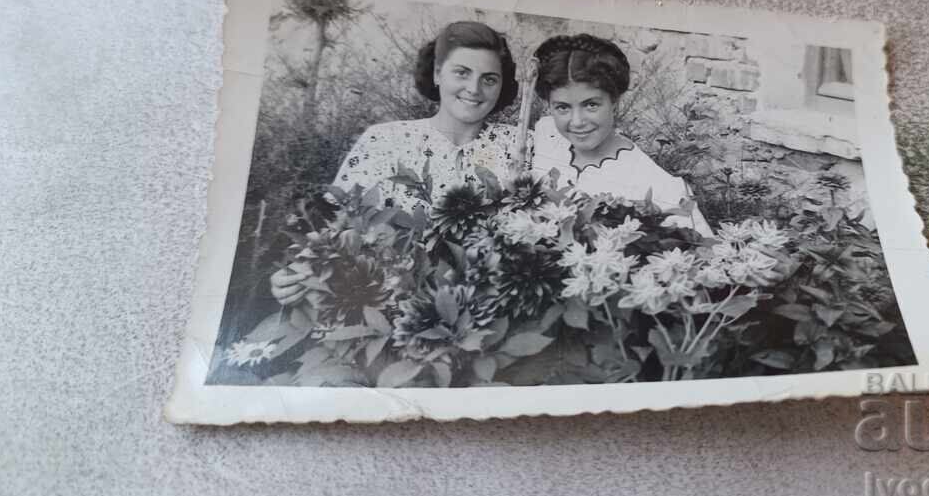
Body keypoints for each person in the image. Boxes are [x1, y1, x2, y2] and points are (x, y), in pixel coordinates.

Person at [271, 21, 523, 304]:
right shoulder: (386, 140)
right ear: (438, 73)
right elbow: (336, 218)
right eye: (462, 73)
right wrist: (297, 269)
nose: (474, 88)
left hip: (494, 307)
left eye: (489, 79)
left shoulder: (520, 145)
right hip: (390, 306)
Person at [529, 33, 713, 237]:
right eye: (562, 107)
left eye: (591, 105)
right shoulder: (545, 134)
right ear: (549, 105)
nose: (577, 122)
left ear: (614, 101)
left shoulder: (660, 186)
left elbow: (705, 251)